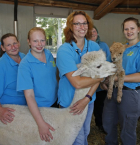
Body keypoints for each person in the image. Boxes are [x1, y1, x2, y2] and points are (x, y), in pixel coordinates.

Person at [102, 17, 140, 145]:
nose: (129, 31)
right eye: (126, 29)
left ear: (138, 29)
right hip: (112, 91)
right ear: (123, 31)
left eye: (132, 28)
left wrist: (119, 79)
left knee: (127, 130)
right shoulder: (120, 47)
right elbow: (108, 67)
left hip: (129, 93)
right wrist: (104, 81)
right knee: (108, 123)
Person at [56, 11, 104, 145]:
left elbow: (100, 73)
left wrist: (87, 98)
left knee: (85, 132)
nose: (81, 27)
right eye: (77, 24)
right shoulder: (64, 50)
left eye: (84, 23)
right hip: (71, 102)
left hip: (89, 100)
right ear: (70, 26)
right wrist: (100, 77)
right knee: (76, 137)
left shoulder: (94, 46)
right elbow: (76, 83)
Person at [17, 27, 58, 142]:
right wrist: (40, 123)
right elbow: (29, 96)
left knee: (55, 137)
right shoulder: (25, 65)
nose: (39, 44)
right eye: (35, 41)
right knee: (44, 138)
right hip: (40, 108)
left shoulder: (48, 54)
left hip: (54, 102)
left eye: (42, 40)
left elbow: (53, 77)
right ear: (28, 42)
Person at [0, 33, 27, 124]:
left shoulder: (25, 58)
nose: (13, 47)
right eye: (8, 45)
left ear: (19, 43)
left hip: (27, 108)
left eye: (14, 43)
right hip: (11, 110)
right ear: (3, 48)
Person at [90, 26, 110, 133]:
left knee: (100, 105)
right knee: (88, 104)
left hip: (101, 81)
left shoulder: (103, 45)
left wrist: (105, 78)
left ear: (97, 33)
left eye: (94, 31)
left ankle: (100, 124)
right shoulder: (85, 46)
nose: (93, 33)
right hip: (89, 82)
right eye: (90, 31)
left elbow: (108, 61)